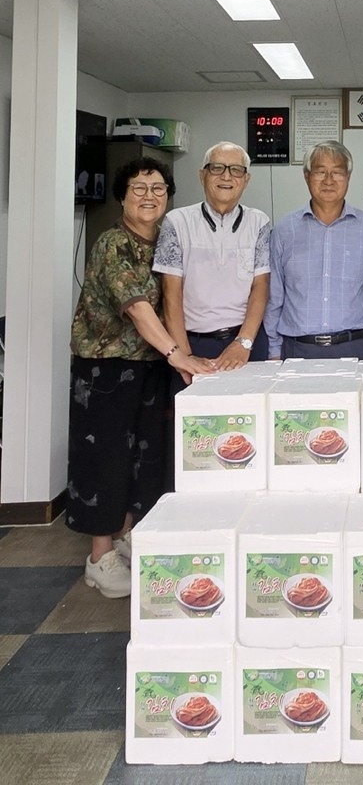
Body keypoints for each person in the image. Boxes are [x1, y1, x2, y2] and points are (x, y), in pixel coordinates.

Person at [66, 158, 214, 598]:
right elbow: (138, 308)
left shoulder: (166, 241)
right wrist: (179, 355)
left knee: (146, 457)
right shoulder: (113, 243)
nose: (149, 196)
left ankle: (128, 536)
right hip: (106, 369)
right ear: (122, 196)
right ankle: (99, 556)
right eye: (139, 188)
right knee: (106, 459)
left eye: (158, 188)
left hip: (150, 367)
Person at [153, 142, 271, 372]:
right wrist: (185, 355)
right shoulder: (177, 222)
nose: (226, 176)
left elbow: (261, 286)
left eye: (236, 170)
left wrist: (243, 342)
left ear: (246, 179)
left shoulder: (259, 222)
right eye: (217, 168)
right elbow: (171, 294)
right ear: (202, 175)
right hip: (192, 342)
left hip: (247, 340)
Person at [264, 141, 363, 359]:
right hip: (297, 350)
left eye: (337, 172)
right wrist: (274, 350)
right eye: (320, 172)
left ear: (348, 177)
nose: (328, 180)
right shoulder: (285, 229)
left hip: (353, 348)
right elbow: (274, 297)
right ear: (307, 176)